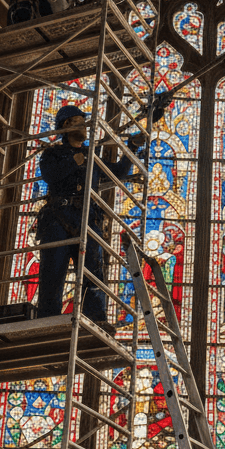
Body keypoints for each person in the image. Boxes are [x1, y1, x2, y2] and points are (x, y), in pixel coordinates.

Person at [35, 104, 143, 323]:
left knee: (93, 274)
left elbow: (117, 173)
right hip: (58, 217)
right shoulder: (53, 153)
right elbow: (49, 176)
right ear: (66, 125)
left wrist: (131, 148)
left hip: (87, 217)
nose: (84, 127)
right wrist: (73, 161)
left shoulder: (90, 154)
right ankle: (47, 322)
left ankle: (96, 320)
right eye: (79, 121)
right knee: (53, 273)